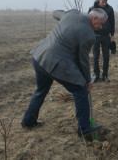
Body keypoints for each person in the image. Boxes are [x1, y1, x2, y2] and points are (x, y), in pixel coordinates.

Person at [21, 9, 106, 140]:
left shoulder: (72, 14)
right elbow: (83, 61)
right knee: (80, 90)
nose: (101, 27)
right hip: (56, 62)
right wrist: (88, 81)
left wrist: (66, 18)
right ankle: (84, 128)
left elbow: (55, 13)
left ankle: (28, 121)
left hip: (39, 56)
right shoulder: (89, 35)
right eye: (100, 23)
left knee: (41, 90)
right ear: (94, 18)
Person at [88, 0, 115, 82]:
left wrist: (112, 35)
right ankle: (96, 75)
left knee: (106, 56)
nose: (104, 3)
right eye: (103, 1)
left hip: (105, 36)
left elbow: (112, 21)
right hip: (95, 35)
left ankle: (105, 75)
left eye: (106, 1)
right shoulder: (92, 8)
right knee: (96, 56)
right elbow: (89, 21)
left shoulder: (109, 9)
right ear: (99, 0)